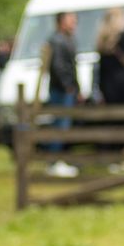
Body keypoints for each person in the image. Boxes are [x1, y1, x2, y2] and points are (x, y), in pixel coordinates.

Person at [43, 11, 80, 178]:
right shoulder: (58, 41)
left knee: (63, 126)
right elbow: (59, 66)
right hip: (61, 90)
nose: (74, 23)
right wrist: (69, 86)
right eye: (70, 20)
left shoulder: (66, 39)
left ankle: (58, 160)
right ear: (61, 22)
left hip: (66, 89)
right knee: (60, 126)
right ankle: (54, 162)